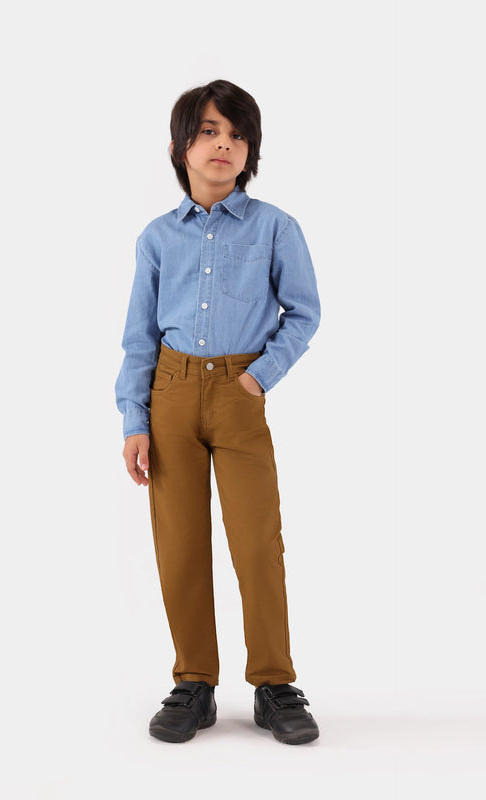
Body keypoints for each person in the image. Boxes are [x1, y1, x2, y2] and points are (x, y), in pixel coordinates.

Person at [115, 79, 321, 745]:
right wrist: (135, 420)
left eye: (236, 134)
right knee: (178, 543)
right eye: (208, 131)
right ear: (182, 147)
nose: (223, 144)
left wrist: (259, 377)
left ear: (250, 150)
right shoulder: (156, 238)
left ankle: (273, 683)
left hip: (239, 395)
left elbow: (305, 312)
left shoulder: (274, 227)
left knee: (257, 541)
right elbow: (139, 338)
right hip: (171, 394)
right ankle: (194, 683)